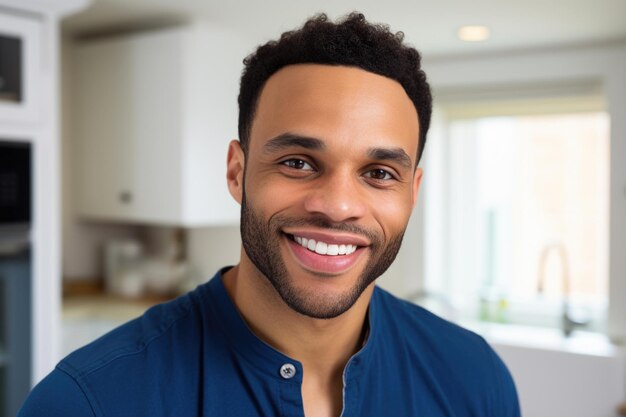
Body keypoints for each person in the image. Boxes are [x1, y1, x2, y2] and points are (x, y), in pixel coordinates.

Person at [18, 12, 520, 417]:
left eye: (379, 173)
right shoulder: (88, 402)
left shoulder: (474, 378)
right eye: (298, 163)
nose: (338, 205)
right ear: (236, 172)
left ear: (413, 192)